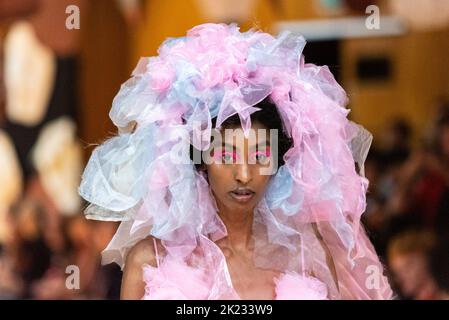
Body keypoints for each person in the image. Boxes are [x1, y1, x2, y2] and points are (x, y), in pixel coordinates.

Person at [79, 23, 393, 300]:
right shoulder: (150, 260)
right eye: (227, 155)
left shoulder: (305, 257)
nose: (244, 174)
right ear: (200, 159)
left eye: (260, 155)